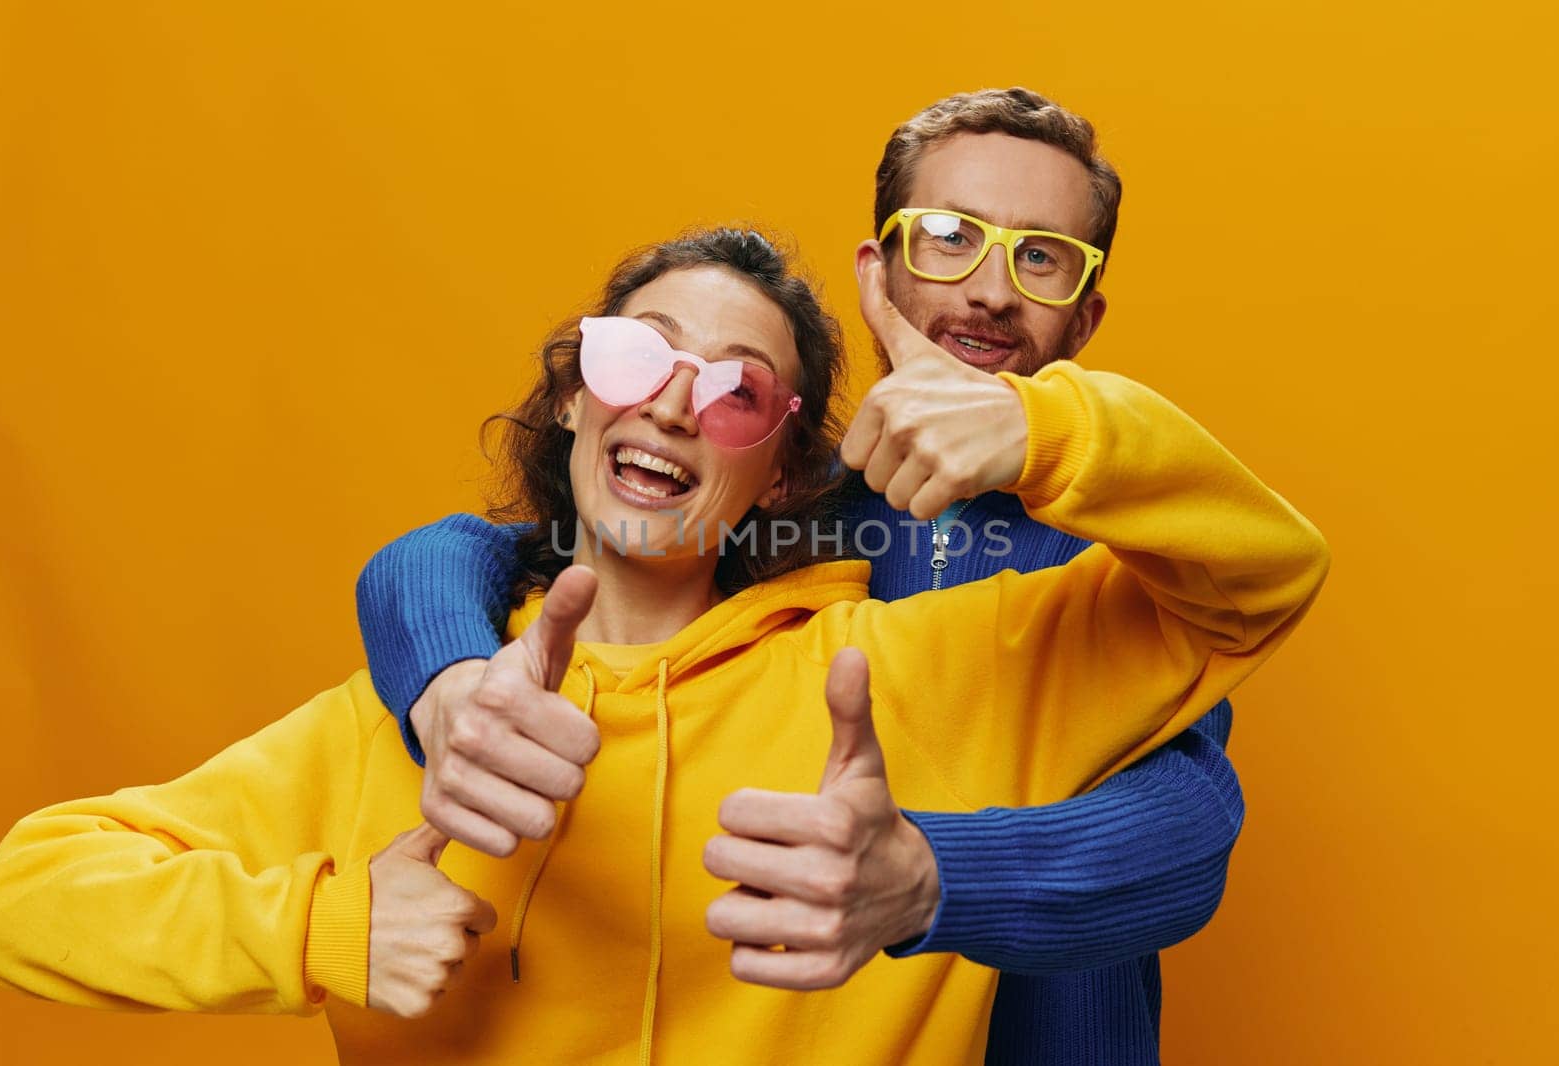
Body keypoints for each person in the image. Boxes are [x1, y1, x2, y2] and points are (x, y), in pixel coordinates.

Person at [0, 226, 1329, 1065]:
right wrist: (323, 921)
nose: (678, 405)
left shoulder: (913, 672)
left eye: (739, 390)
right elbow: (21, 894)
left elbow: (1262, 574)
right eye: (638, 356)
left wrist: (1052, 430)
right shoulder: (422, 720)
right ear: (576, 394)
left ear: (782, 474)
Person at [356, 88, 1243, 1063]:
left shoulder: (1127, 554)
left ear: (1083, 318)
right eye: (947, 236)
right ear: (879, 272)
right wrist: (444, 679)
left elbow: (1190, 825)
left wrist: (928, 878)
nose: (990, 288)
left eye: (1040, 257)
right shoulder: (772, 497)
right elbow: (473, 550)